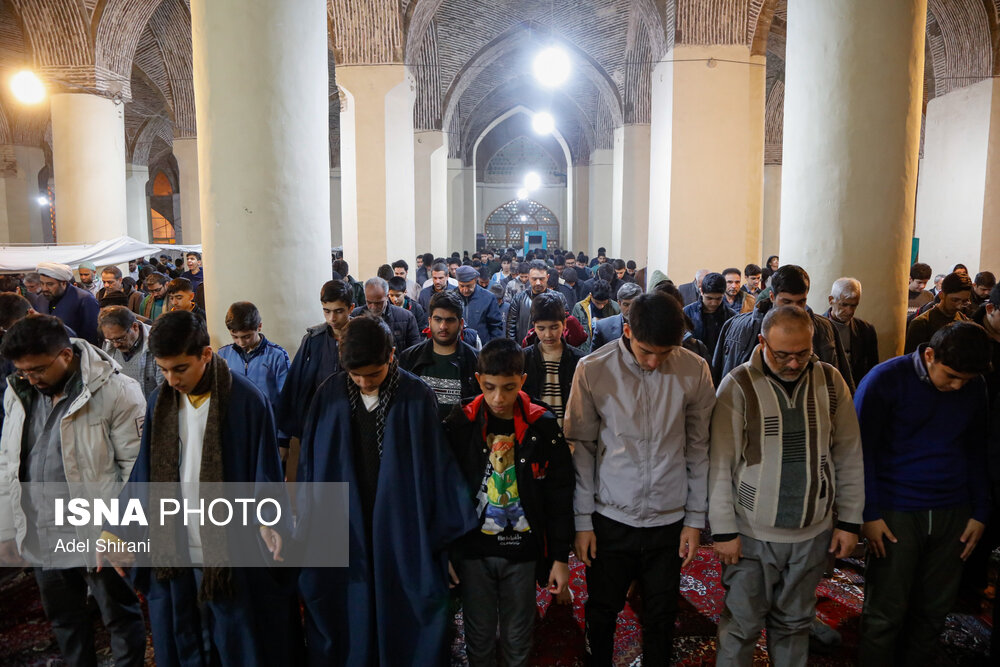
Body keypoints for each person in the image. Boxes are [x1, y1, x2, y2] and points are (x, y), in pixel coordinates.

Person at [103, 310, 293, 666]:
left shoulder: (247, 401)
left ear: (206, 354)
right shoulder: (161, 400)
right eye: (163, 370)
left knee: (233, 638)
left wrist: (269, 520)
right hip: (175, 541)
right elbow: (144, 472)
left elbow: (264, 473)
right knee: (184, 636)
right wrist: (116, 528)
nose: (171, 379)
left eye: (180, 369)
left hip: (229, 543)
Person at [295, 316, 477, 666]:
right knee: (344, 605)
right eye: (356, 375)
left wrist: (446, 545)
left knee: (405, 607)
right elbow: (312, 469)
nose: (364, 382)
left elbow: (436, 472)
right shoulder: (329, 394)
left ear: (391, 356)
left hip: (400, 525)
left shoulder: (415, 395)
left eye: (373, 374)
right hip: (346, 522)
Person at [566, 292, 715, 666]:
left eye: (665, 353)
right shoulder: (593, 369)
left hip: (669, 518)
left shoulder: (694, 369)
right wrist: (582, 521)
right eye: (647, 351)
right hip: (611, 515)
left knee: (662, 614)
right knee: (602, 608)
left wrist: (694, 520)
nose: (654, 362)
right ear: (627, 330)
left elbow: (699, 448)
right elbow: (581, 449)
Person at [709, 306, 864, 665]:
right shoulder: (738, 385)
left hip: (812, 532)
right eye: (782, 355)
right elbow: (719, 463)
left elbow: (848, 452)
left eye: (802, 353)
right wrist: (723, 531)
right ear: (762, 342)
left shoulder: (830, 381)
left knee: (795, 624)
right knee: (742, 625)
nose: (793, 364)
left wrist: (849, 520)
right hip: (752, 533)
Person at [0, 314, 146, 666]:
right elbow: (8, 462)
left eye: (37, 369)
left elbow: (136, 471)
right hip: (41, 528)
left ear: (65, 355)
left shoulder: (117, 391)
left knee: (119, 615)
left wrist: (120, 532)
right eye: (23, 371)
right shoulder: (19, 391)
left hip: (97, 531)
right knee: (64, 620)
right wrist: (7, 529)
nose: (31, 378)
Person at [856, 322, 992, 665]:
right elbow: (860, 453)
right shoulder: (884, 379)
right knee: (885, 612)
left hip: (954, 510)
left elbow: (977, 449)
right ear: (929, 355)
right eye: (951, 376)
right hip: (896, 509)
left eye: (966, 380)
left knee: (933, 611)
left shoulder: (975, 386)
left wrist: (980, 511)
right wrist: (869, 513)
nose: (957, 386)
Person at [444, 337, 574, 666]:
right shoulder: (460, 424)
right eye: (489, 388)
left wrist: (560, 557)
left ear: (523, 381)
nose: (498, 398)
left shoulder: (543, 425)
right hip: (474, 550)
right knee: (479, 636)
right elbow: (443, 492)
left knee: (518, 636)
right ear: (478, 381)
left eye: (509, 388)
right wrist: (444, 550)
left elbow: (560, 494)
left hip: (523, 551)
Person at [712, 265, 854, 392]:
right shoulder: (736, 326)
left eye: (801, 302)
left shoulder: (824, 329)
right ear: (772, 296)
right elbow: (718, 380)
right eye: (787, 301)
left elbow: (842, 383)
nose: (794, 308)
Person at [277, 279, 354, 440]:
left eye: (339, 311)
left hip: (353, 420)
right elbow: (295, 384)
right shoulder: (313, 340)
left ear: (351, 308)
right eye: (327, 311)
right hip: (319, 421)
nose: (332, 318)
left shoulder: (362, 337)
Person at [217, 301, 291, 458]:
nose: (241, 342)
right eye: (235, 337)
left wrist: (283, 440)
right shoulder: (223, 355)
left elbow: (286, 400)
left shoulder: (277, 355)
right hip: (235, 433)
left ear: (259, 327)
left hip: (268, 432)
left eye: (246, 336)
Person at [398, 290, 480, 420]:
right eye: (438, 319)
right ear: (430, 321)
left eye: (450, 320)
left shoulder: (476, 360)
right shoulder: (409, 357)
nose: (443, 326)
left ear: (461, 324)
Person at [521, 292, 584, 427]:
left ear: (564, 324)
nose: (548, 334)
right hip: (535, 432)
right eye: (541, 328)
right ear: (534, 326)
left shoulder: (579, 360)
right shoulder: (523, 359)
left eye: (554, 327)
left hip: (568, 431)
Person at [824, 277, 880, 385]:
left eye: (854, 305)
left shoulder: (866, 330)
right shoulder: (816, 328)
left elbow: (873, 370)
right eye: (844, 304)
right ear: (831, 300)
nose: (849, 311)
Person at [99, 305, 163, 398]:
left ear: (134, 327)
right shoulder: (108, 344)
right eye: (111, 340)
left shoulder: (158, 344)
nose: (116, 345)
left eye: (120, 338)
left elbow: (164, 393)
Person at [904, 272, 972, 353]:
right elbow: (912, 357)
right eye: (955, 300)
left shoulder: (964, 322)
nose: (959, 306)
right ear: (941, 295)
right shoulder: (922, 323)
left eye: (964, 301)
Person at [351, 277, 421, 354]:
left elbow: (415, 351)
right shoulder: (355, 316)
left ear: (387, 296)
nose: (373, 307)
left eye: (378, 303)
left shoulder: (406, 317)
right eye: (369, 302)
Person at [37, 262, 100, 345]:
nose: (44, 288)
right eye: (42, 283)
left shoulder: (85, 299)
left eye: (50, 284)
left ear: (63, 283)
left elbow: (92, 336)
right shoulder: (41, 299)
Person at [507, 261, 568, 346]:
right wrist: (514, 349)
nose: (538, 283)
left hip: (552, 345)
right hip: (524, 347)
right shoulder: (519, 298)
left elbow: (566, 325)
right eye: (534, 279)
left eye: (541, 279)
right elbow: (510, 328)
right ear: (529, 277)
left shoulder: (559, 298)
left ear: (547, 277)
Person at [684, 272, 735, 356]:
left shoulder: (732, 316)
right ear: (701, 291)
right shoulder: (687, 313)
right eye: (709, 298)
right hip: (693, 359)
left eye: (718, 298)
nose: (714, 303)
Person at [456, 265, 504, 344]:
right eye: (461, 286)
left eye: (468, 286)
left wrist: (492, 348)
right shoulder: (452, 297)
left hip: (482, 347)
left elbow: (496, 327)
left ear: (475, 280)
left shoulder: (488, 298)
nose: (465, 290)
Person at [570, 279, 620, 354]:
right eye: (597, 303)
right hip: (586, 352)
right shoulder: (579, 308)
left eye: (604, 303)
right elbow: (574, 335)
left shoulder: (615, 308)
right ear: (591, 296)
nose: (601, 306)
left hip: (608, 352)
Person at [591, 282, 643, 351]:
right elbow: (594, 356)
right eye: (626, 305)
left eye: (634, 305)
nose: (630, 309)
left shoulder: (651, 326)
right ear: (619, 303)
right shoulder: (603, 327)